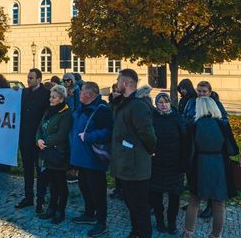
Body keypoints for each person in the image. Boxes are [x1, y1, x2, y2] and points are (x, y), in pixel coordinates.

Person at [183, 97, 239, 238]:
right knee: (219, 204)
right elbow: (233, 150)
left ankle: (188, 233)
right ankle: (216, 235)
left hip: (199, 166)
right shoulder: (223, 125)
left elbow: (188, 151)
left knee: (194, 202)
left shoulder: (193, 125)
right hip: (219, 165)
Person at [110, 69, 157, 238]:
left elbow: (147, 133)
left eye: (118, 80)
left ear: (125, 83)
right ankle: (135, 232)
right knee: (131, 203)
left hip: (136, 165)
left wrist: (151, 150)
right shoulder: (124, 103)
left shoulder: (137, 105)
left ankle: (143, 234)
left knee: (140, 206)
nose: (116, 83)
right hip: (126, 163)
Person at [70, 82, 113, 238]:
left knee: (98, 192)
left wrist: (88, 137)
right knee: (84, 187)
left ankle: (101, 222)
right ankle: (89, 213)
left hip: (94, 160)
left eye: (81, 91)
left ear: (88, 94)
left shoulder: (101, 110)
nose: (79, 93)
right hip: (81, 159)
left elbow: (107, 132)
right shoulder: (81, 107)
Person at [182, 81, 229, 219]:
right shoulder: (192, 102)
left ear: (210, 92)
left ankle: (210, 206)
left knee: (211, 180)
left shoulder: (215, 103)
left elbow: (223, 118)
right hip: (195, 144)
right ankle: (194, 203)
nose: (201, 94)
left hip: (210, 146)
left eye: (204, 91)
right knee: (195, 179)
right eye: (199, 91)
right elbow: (185, 116)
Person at [149, 93, 185, 235]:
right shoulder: (152, 118)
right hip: (156, 163)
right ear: (156, 104)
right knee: (156, 195)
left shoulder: (177, 117)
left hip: (174, 164)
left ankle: (172, 223)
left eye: (166, 102)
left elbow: (185, 138)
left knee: (174, 196)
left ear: (170, 103)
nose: (163, 105)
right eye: (160, 102)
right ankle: (159, 221)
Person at [36, 84, 73, 224]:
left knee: (61, 184)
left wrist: (44, 142)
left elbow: (61, 134)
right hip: (47, 152)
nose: (50, 99)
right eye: (50, 96)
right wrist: (38, 140)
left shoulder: (66, 113)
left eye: (54, 97)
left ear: (61, 99)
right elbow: (40, 128)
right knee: (52, 183)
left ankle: (60, 211)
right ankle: (51, 208)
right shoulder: (48, 110)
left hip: (58, 154)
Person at [15, 68, 50, 213]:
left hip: (38, 140)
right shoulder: (24, 92)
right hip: (24, 139)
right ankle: (28, 197)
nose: (28, 80)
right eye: (28, 77)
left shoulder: (46, 94)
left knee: (41, 171)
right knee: (27, 169)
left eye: (31, 78)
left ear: (39, 79)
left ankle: (40, 200)